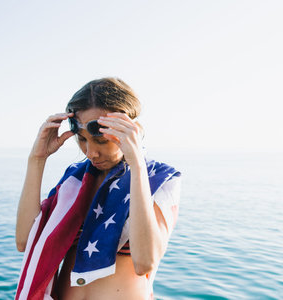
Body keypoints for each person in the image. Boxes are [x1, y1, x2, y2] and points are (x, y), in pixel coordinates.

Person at [15, 77, 182, 300]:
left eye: (101, 141)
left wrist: (137, 165)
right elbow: (25, 241)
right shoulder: (73, 183)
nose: (90, 152)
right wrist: (37, 160)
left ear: (132, 129)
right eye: (81, 140)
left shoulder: (159, 180)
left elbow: (145, 262)